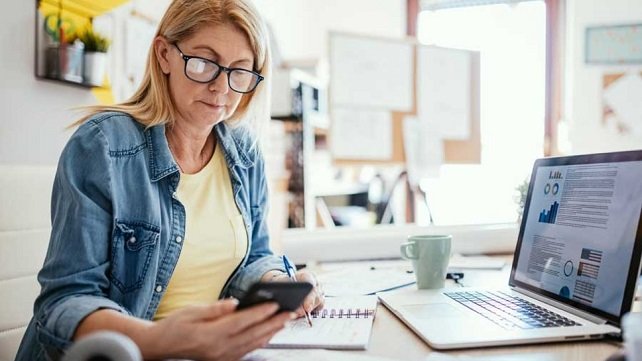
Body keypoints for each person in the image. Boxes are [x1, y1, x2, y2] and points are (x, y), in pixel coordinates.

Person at [16, 0, 324, 359]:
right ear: (164, 54)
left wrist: (278, 284)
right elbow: (63, 304)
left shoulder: (244, 152)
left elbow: (255, 255)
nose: (221, 89)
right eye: (205, 63)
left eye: (240, 72)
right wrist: (161, 338)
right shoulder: (102, 147)